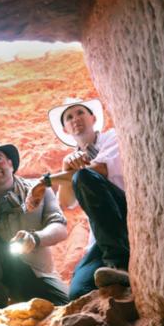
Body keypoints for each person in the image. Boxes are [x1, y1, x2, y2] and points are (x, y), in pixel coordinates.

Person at [26, 98, 130, 300]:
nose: (76, 119)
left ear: (93, 118)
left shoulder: (113, 138)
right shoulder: (73, 159)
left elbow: (100, 170)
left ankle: (120, 264)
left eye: (80, 113)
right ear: (65, 129)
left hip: (126, 216)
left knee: (84, 176)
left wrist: (46, 181)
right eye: (69, 117)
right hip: (103, 237)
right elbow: (67, 202)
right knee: (78, 292)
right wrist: (67, 170)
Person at [0, 141, 69, 308]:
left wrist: (35, 238)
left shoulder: (38, 190)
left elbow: (60, 228)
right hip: (2, 275)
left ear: (11, 164)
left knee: (68, 306)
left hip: (38, 273)